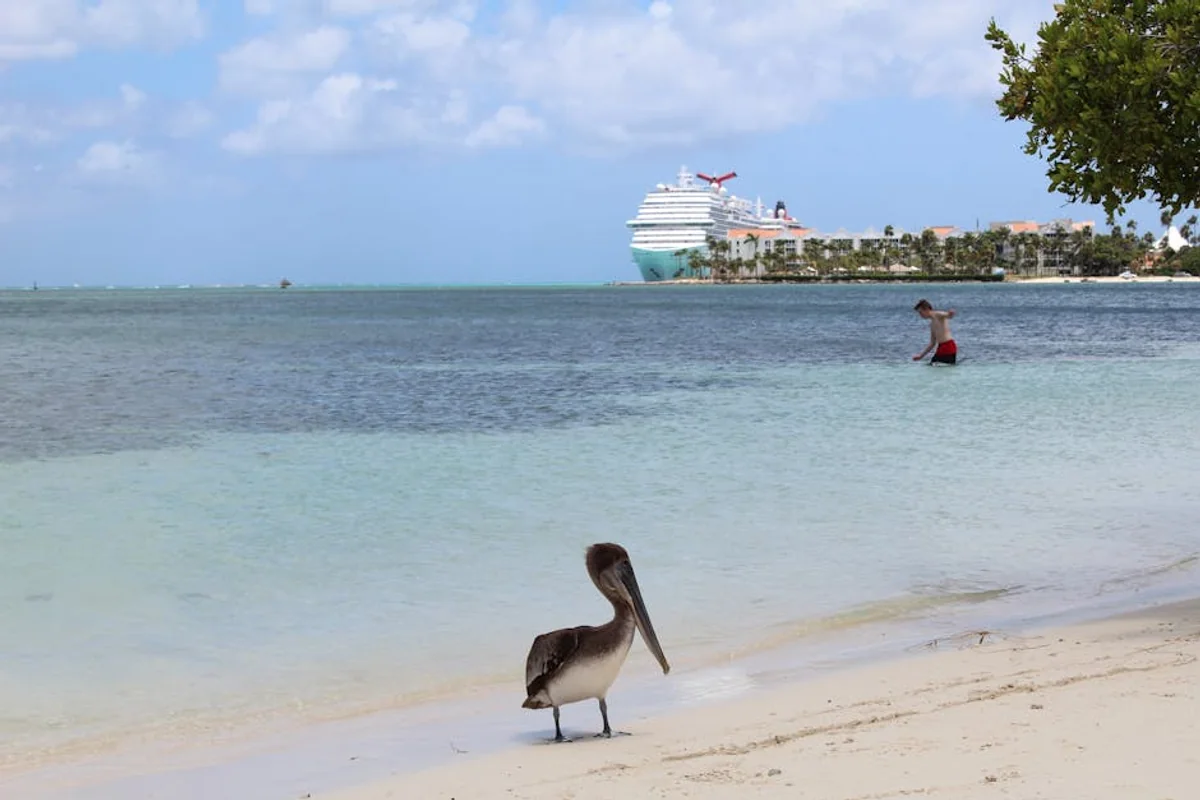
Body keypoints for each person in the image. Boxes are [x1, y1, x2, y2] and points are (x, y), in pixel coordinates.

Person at [912, 299, 957, 364]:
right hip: (942, 347)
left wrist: (951, 313)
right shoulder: (932, 324)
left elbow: (947, 315)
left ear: (927, 309)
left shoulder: (937, 315)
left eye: (920, 312)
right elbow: (932, 343)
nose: (920, 315)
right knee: (936, 367)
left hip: (948, 346)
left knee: (934, 366)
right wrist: (921, 356)